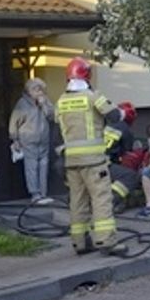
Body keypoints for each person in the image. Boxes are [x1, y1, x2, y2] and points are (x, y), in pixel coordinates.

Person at [55, 57, 128, 256]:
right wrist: (122, 112)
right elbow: (115, 116)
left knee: (77, 201)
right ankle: (106, 240)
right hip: (94, 161)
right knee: (101, 199)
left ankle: (80, 242)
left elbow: (58, 127)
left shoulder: (61, 100)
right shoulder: (93, 96)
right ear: (87, 75)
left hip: (71, 162)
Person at [9, 78, 56, 205]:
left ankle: (43, 194)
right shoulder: (22, 104)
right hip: (28, 140)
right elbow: (14, 122)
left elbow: (52, 116)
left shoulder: (45, 102)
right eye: (36, 89)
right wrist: (14, 139)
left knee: (43, 166)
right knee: (31, 167)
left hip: (44, 140)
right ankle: (35, 194)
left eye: (41, 89)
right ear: (29, 91)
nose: (39, 92)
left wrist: (44, 105)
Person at [106, 101, 140, 212]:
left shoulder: (104, 124)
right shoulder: (125, 129)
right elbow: (127, 152)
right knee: (130, 176)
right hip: (105, 163)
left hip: (89, 160)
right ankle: (110, 200)